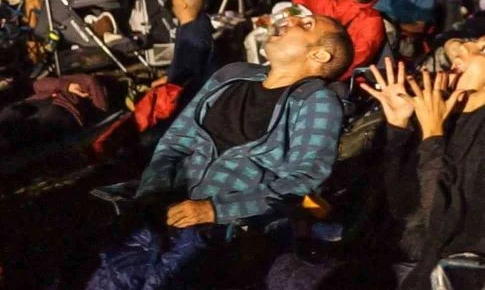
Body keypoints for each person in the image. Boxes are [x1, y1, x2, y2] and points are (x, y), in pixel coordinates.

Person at [88, 14, 353, 289]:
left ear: (319, 55)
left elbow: (306, 177)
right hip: (162, 210)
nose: (290, 20)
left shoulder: (316, 101)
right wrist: (152, 192)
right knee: (110, 277)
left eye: (307, 25)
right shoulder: (232, 75)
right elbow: (175, 142)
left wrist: (214, 210)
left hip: (223, 231)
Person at [359, 33, 485, 290]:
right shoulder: (448, 115)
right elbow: (402, 206)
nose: (464, 47)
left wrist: (433, 138)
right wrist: (398, 127)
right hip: (400, 257)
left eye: (484, 50)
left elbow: (452, 230)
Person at [150, 0, 215, 108]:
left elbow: (187, 74)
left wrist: (167, 80)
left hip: (190, 97)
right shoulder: (196, 23)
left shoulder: (192, 38)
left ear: (184, 5)